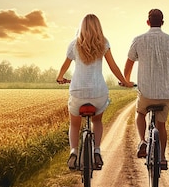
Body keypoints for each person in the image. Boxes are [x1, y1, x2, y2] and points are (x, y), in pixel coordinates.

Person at [56, 14, 134, 170]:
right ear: (98, 27)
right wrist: (125, 81)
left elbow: (64, 66)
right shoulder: (103, 43)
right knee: (96, 121)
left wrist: (60, 77)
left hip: (78, 92)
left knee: (74, 124)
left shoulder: (73, 44)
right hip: (98, 92)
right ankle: (97, 150)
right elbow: (113, 67)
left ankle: (74, 152)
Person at [123, 9, 169, 170]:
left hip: (146, 92)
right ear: (162, 23)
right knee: (161, 125)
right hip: (165, 93)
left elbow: (128, 65)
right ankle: (163, 158)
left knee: (140, 113)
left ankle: (142, 140)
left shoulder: (138, 40)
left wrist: (127, 81)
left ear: (148, 22)